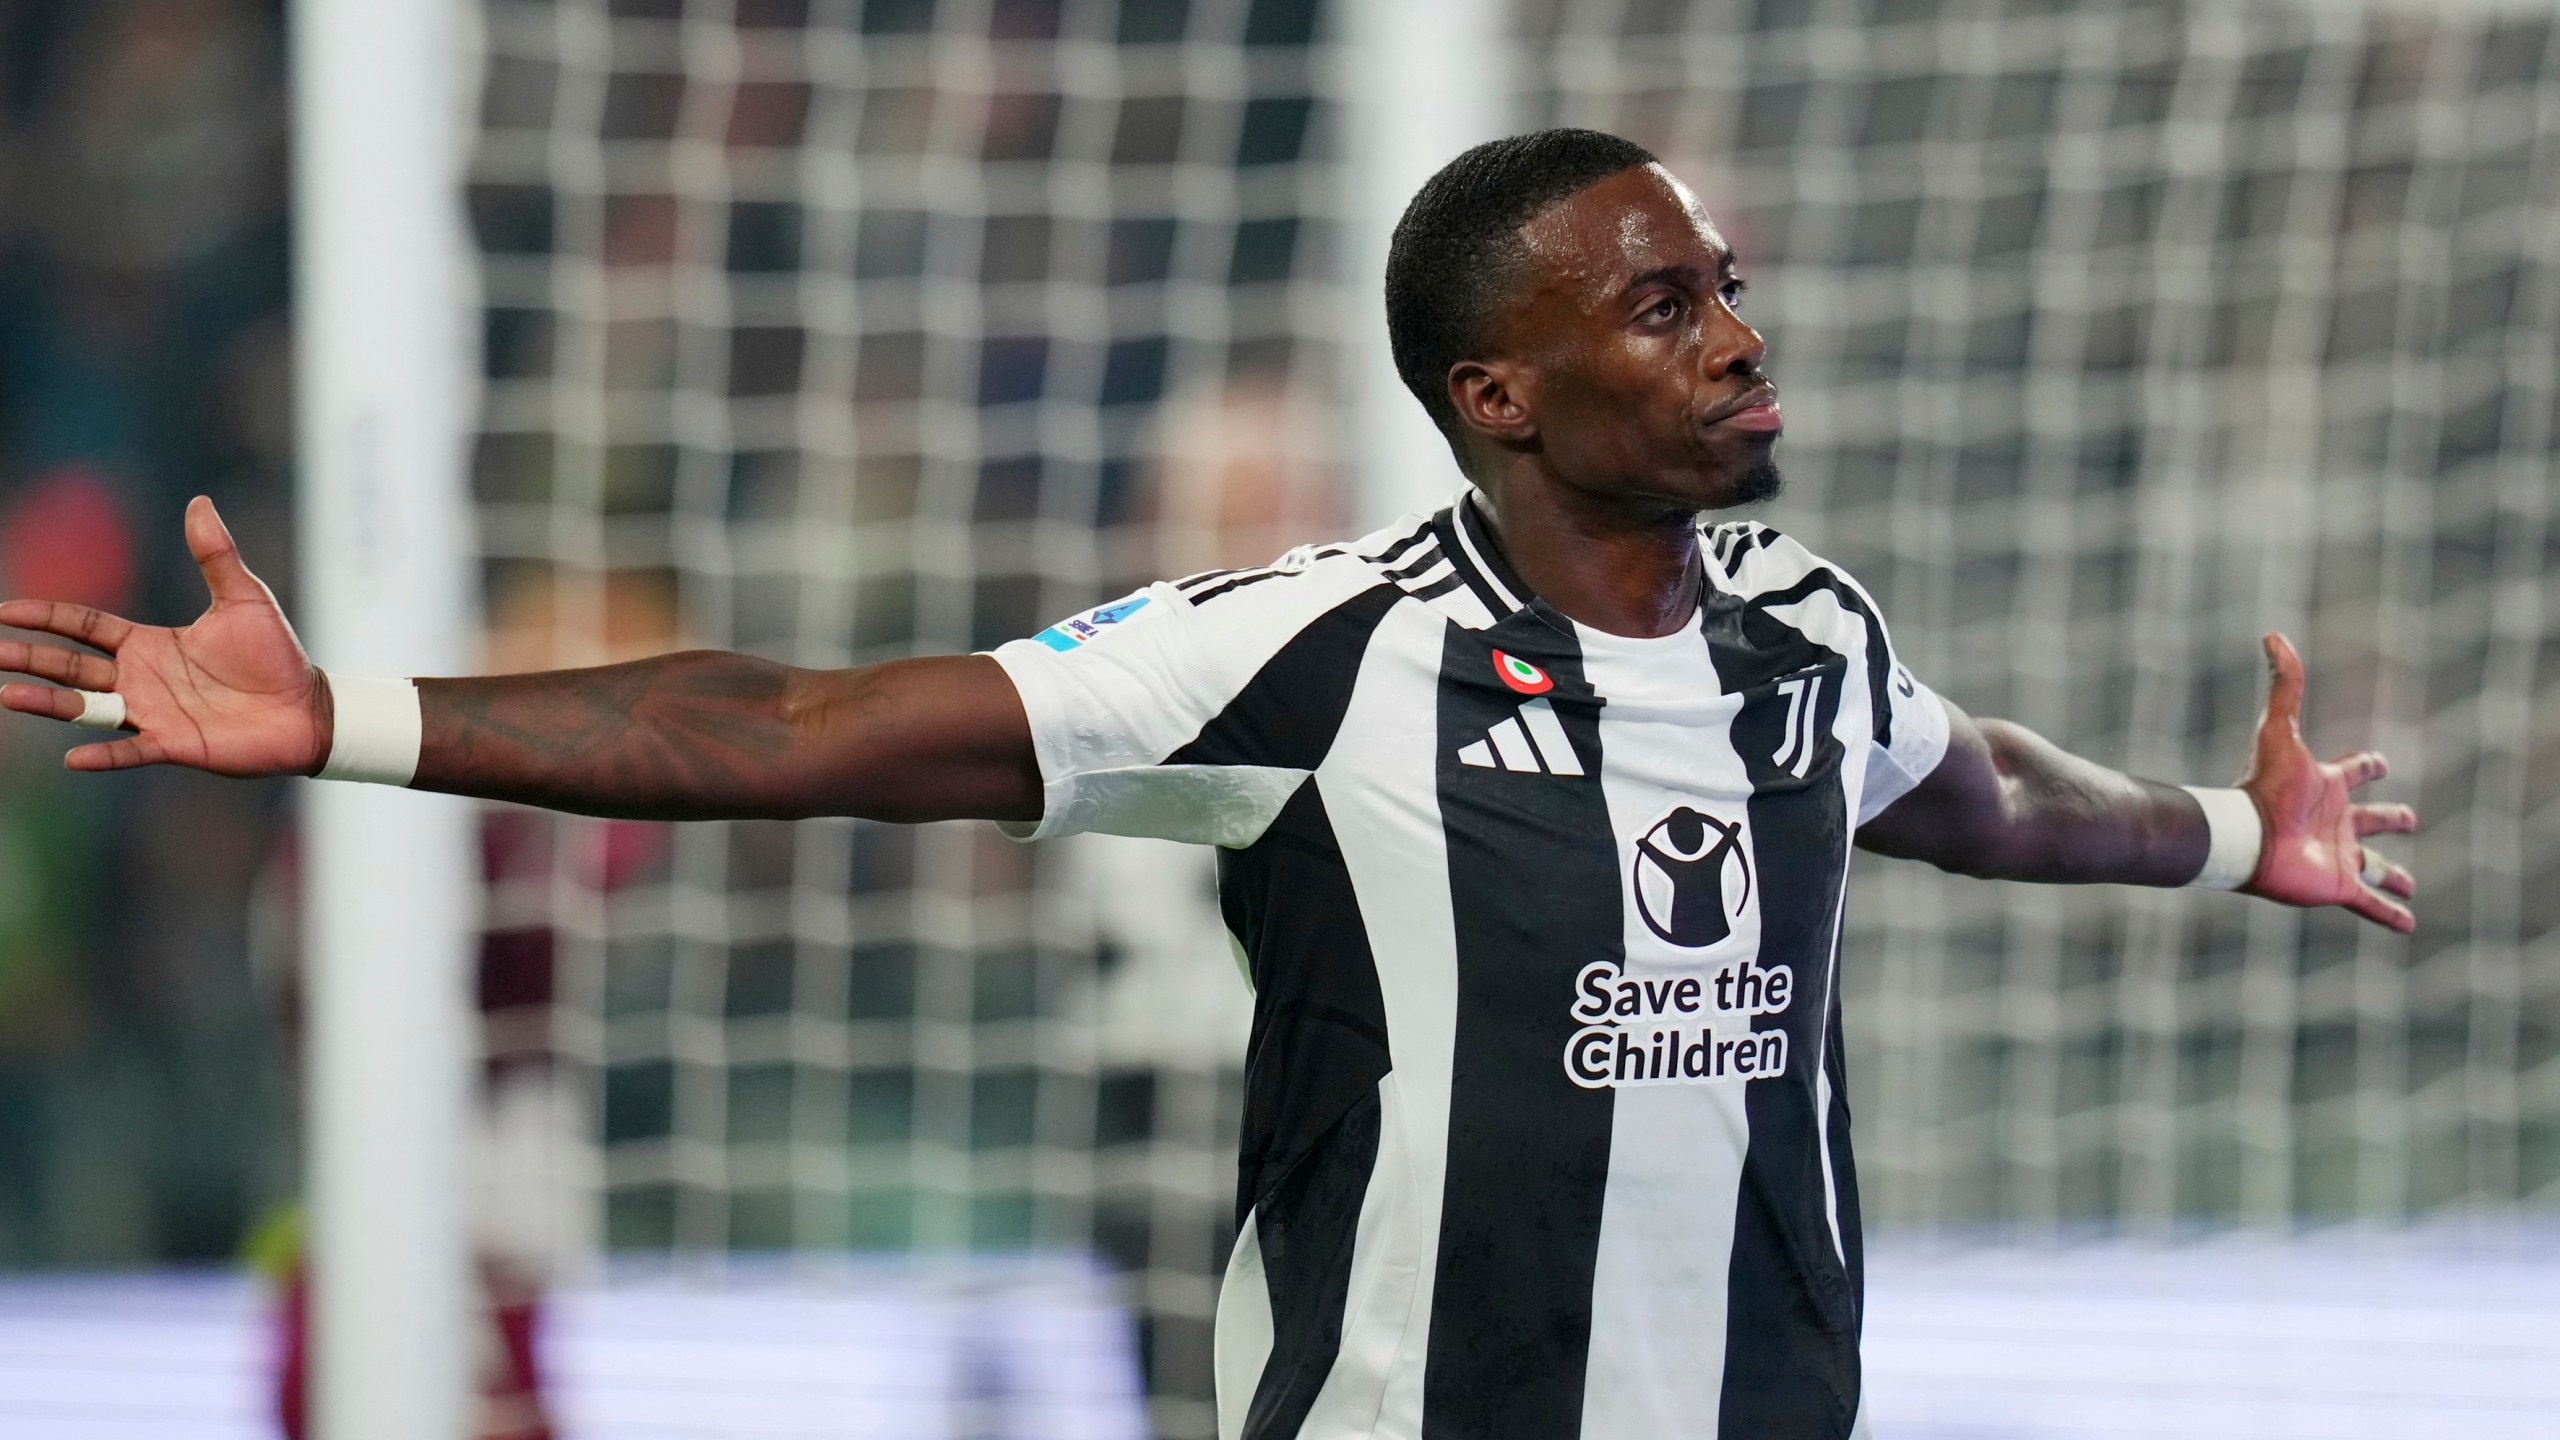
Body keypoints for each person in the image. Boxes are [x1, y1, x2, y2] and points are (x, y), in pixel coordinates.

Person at [0, 130, 2415, 1439]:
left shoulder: (1806, 625)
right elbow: (820, 726)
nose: (1735, 342)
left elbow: (1957, 787)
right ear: (1497, 392)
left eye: (1725, 290)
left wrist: (2220, 833)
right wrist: (364, 720)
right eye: (1662, 305)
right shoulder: (1315, 647)